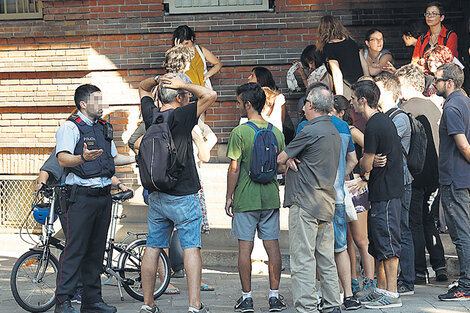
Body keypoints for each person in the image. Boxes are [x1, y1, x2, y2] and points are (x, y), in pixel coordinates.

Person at [138, 73, 217, 313]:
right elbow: (210, 94)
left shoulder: (152, 115)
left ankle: (147, 304)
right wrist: (183, 84)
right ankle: (194, 305)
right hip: (184, 193)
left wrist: (158, 78)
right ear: (181, 97)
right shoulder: (183, 115)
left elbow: (142, 87)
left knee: (153, 246)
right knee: (191, 247)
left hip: (157, 194)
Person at [54, 84, 135, 313]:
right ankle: (64, 301)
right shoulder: (70, 128)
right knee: (75, 250)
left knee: (96, 251)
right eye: (97, 100)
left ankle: (92, 301)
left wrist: (139, 157)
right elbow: (62, 159)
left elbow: (113, 159)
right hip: (79, 198)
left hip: (102, 197)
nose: (101, 104)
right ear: (83, 104)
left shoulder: (102, 128)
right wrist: (82, 157)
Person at [278, 84, 342, 313]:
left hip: (305, 201)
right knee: (325, 258)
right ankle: (333, 303)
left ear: (311, 105)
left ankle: (306, 307)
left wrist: (287, 160)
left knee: (303, 259)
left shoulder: (309, 130)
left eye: (305, 102)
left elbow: (281, 157)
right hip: (325, 200)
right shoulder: (334, 131)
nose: (303, 106)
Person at [225, 82, 286, 313]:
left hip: (245, 198)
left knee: (244, 250)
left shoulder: (239, 133)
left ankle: (247, 298)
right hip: (270, 197)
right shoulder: (276, 133)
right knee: (273, 249)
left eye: (239, 102)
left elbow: (234, 168)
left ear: (248, 104)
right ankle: (274, 297)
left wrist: (229, 196)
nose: (237, 106)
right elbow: (281, 167)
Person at [350, 80, 404, 309]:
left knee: (389, 244)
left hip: (387, 193)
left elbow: (366, 164)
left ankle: (392, 294)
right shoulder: (382, 121)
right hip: (383, 191)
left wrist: (366, 163)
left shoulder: (374, 125)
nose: (351, 102)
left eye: (353, 98)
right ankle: (381, 289)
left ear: (363, 100)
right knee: (381, 244)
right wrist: (370, 162)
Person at [395, 64, 447, 285]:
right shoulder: (435, 106)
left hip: (416, 173)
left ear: (406, 84)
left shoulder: (407, 109)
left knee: (414, 222)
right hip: (437, 173)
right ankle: (440, 264)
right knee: (429, 220)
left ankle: (418, 270)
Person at [374, 73, 414, 296]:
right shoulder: (384, 116)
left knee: (401, 230)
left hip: (402, 181)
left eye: (377, 88)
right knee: (392, 230)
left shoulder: (400, 118)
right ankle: (392, 281)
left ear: (388, 91)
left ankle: (406, 281)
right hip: (391, 181)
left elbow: (386, 144)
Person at [433, 63, 470, 301]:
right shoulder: (465, 102)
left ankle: (466, 286)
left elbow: (463, 145)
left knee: (462, 233)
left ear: (449, 83)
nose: (433, 83)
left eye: (437, 79)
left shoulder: (453, 107)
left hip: (456, 179)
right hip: (459, 176)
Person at [329, 95, 361, 310]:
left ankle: (329, 294)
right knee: (342, 247)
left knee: (320, 249)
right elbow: (354, 160)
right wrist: (342, 177)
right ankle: (348, 294)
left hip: (317, 198)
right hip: (339, 195)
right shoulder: (343, 127)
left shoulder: (307, 125)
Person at [316, 15, 369, 97]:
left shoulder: (328, 47)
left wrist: (339, 96)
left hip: (346, 87)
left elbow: (336, 72)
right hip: (361, 85)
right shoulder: (351, 42)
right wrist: (368, 83)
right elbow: (364, 64)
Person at [247, 66, 285, 132]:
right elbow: (282, 121)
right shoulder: (279, 96)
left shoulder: (278, 97)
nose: (248, 78)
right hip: (274, 135)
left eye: (252, 76)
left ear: (260, 79)